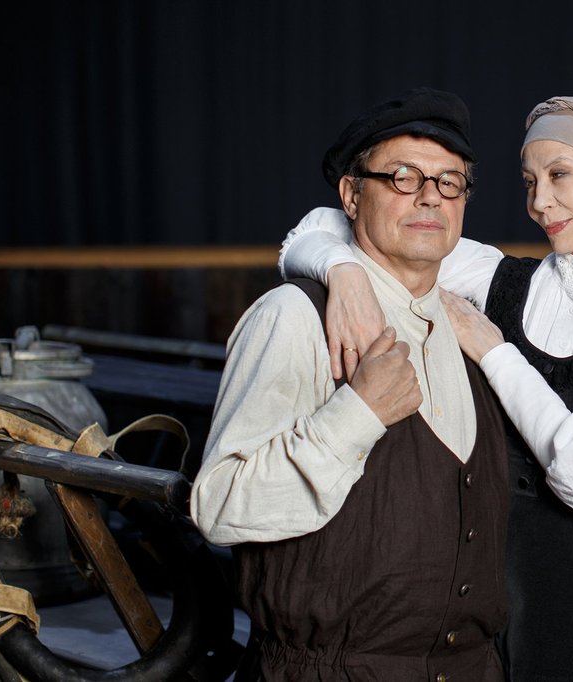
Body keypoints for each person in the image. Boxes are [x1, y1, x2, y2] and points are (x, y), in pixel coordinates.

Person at [278, 95, 573, 681]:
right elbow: (321, 226)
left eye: (559, 175)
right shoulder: (496, 277)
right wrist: (345, 273)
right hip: (476, 584)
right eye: (529, 181)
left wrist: (493, 350)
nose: (539, 202)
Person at [190, 87, 514, 681]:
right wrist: (358, 413)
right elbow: (221, 505)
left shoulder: (475, 325)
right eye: (403, 177)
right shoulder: (294, 315)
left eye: (449, 182)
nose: (430, 196)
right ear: (351, 195)